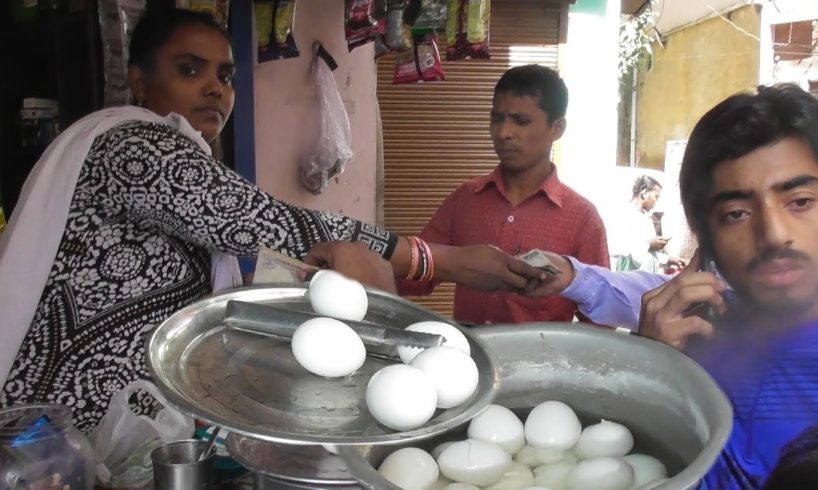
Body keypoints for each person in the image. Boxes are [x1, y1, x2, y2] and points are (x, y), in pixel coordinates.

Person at [0, 8, 544, 433]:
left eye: (226, 75)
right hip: (52, 425)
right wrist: (440, 259)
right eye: (190, 70)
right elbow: (256, 219)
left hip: (116, 429)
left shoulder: (182, 159)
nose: (217, 88)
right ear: (138, 83)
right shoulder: (132, 143)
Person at [527, 84, 818, 488]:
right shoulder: (700, 328)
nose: (774, 234)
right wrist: (657, 372)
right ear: (706, 235)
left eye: (800, 201)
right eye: (736, 213)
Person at [397, 64, 609, 325]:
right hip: (468, 360)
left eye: (521, 121)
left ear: (557, 128)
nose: (503, 133)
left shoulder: (582, 218)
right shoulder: (465, 200)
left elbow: (601, 319)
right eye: (497, 118)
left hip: (542, 363)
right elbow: (412, 274)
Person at [609, 175, 681, 273]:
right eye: (656, 197)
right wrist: (649, 245)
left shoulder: (644, 218)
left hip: (645, 280)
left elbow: (646, 255)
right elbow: (621, 251)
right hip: (629, 281)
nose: (656, 203)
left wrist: (666, 259)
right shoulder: (623, 215)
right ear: (644, 194)